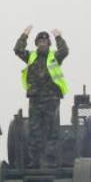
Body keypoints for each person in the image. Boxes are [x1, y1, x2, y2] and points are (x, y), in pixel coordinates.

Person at [14, 26, 69, 167]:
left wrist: (58, 37)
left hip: (51, 99)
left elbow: (65, 51)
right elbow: (18, 50)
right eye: (40, 41)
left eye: (45, 41)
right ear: (36, 44)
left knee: (52, 132)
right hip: (35, 100)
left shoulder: (54, 57)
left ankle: (50, 162)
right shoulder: (31, 57)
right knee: (34, 132)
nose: (42, 43)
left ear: (49, 44)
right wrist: (24, 35)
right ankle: (34, 162)